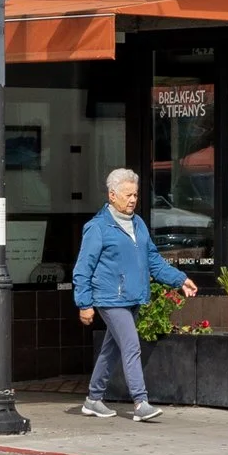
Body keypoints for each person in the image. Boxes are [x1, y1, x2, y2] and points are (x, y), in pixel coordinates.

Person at [74, 167, 196, 420]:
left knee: (112, 349)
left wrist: (180, 279)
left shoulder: (138, 224)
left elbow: (153, 260)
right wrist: (84, 303)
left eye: (135, 195)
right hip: (110, 298)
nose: (132, 200)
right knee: (130, 346)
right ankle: (141, 403)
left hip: (133, 296)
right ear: (112, 195)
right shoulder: (97, 228)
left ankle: (93, 399)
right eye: (128, 195)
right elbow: (82, 267)